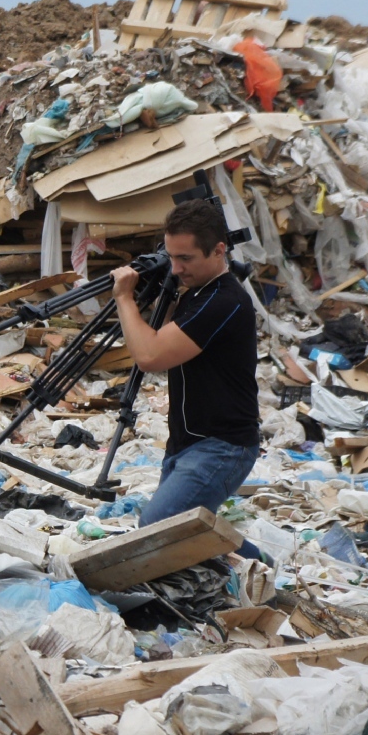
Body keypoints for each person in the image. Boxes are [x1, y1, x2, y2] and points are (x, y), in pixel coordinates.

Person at [110, 198, 265, 561]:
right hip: (189, 443)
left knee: (159, 527)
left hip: (221, 446)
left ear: (218, 250)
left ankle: (264, 575)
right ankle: (263, 574)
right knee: (186, 534)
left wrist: (125, 298)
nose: (176, 268)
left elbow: (149, 356)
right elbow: (159, 341)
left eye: (187, 259)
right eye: (171, 257)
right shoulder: (196, 294)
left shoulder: (224, 301)